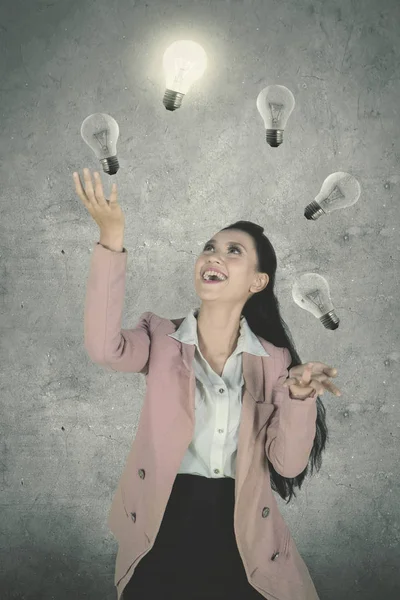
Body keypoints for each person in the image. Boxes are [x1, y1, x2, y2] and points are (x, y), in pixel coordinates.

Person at [74, 168, 341, 600]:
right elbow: (105, 349)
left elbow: (288, 465)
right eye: (209, 248)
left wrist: (298, 397)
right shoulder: (160, 337)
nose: (214, 256)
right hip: (163, 520)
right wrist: (111, 238)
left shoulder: (275, 362)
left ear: (257, 282)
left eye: (233, 251)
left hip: (242, 530)